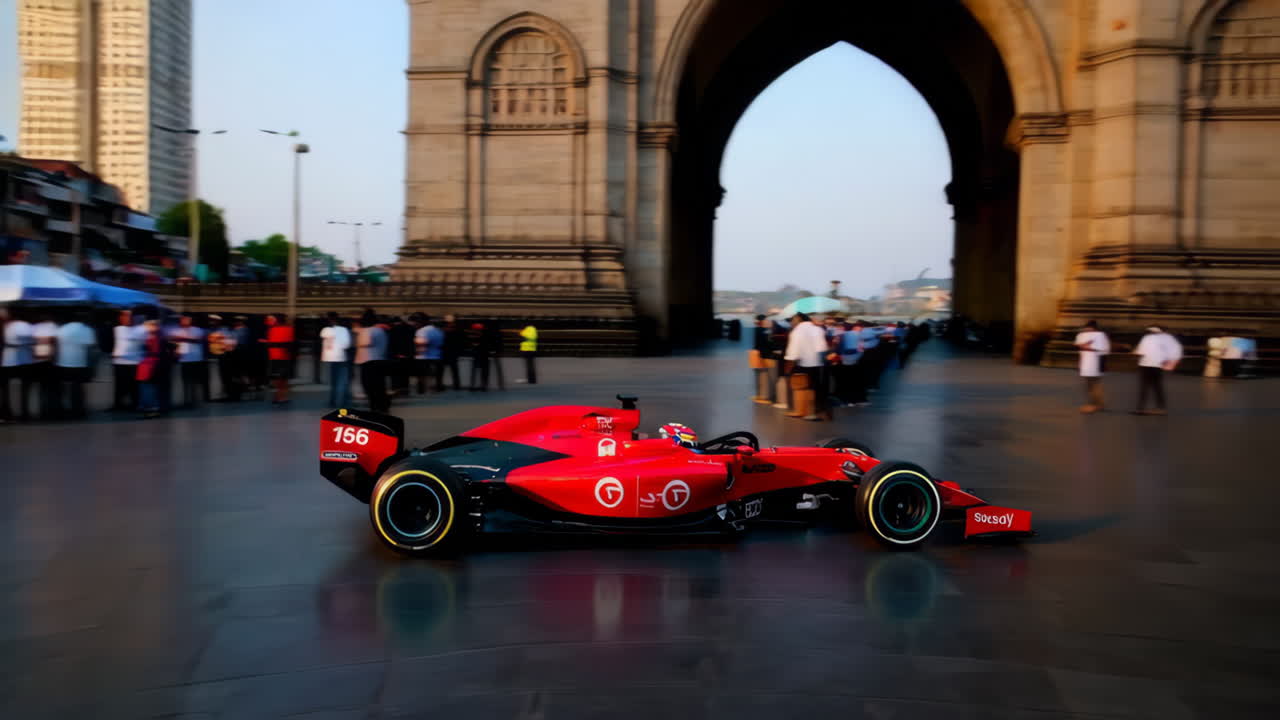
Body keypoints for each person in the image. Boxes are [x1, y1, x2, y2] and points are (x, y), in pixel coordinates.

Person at [782, 312, 830, 421]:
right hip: (818, 364)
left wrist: (788, 368)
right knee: (813, 387)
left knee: (800, 388)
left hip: (802, 363)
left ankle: (800, 411)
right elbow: (822, 348)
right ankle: (811, 413)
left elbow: (793, 352)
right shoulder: (818, 329)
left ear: (798, 319)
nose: (791, 322)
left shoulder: (797, 331)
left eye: (793, 320)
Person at [56, 311, 98, 419]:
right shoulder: (87, 329)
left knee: (66, 387)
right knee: (78, 387)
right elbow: (91, 345)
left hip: (63, 362)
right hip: (80, 362)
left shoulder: (62, 329)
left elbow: (57, 342)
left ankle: (66, 408)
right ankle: (78, 409)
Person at [1133, 325, 1183, 416]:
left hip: (1146, 365)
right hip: (1157, 365)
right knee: (1157, 387)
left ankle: (1141, 408)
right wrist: (1169, 362)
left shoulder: (1146, 338)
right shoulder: (1166, 338)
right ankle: (1160, 408)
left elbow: (1140, 352)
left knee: (1145, 387)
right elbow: (1175, 350)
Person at [2, 309, 35, 423]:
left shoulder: (6, 326)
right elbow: (32, 339)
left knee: (5, 390)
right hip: (25, 360)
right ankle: (25, 413)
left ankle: (6, 414)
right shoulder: (27, 325)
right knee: (25, 389)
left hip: (7, 361)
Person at [170, 314, 207, 409]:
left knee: (195, 381)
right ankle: (187, 401)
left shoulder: (197, 330)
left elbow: (198, 340)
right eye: (183, 319)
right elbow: (174, 343)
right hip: (184, 359)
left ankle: (195, 401)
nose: (185, 321)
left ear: (191, 320)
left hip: (196, 359)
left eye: (187, 319)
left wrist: (181, 338)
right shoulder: (176, 330)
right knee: (185, 381)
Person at [356, 310, 390, 412]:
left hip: (368, 361)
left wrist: (358, 335)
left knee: (369, 385)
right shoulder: (380, 331)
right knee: (379, 385)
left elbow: (365, 343)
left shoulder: (367, 331)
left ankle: (374, 406)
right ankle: (383, 405)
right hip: (380, 359)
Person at [1073, 320, 1110, 413]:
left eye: (1089, 328)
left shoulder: (1099, 336)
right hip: (1087, 363)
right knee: (1091, 384)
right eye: (1086, 328)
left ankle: (1094, 404)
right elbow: (1081, 350)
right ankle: (1098, 404)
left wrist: (1087, 346)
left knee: (1094, 384)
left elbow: (1103, 350)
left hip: (1094, 363)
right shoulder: (1090, 336)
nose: (1087, 330)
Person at [135, 319, 167, 419]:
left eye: (150, 326)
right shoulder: (149, 337)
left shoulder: (157, 338)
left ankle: (152, 408)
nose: (147, 327)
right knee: (146, 387)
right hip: (146, 365)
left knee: (149, 388)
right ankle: (148, 407)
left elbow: (155, 352)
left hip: (152, 366)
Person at [262, 314, 295, 406]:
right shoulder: (289, 329)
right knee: (284, 379)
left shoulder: (271, 329)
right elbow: (290, 345)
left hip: (274, 357)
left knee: (277, 379)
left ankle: (278, 396)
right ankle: (283, 397)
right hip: (285, 357)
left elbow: (270, 343)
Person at [320, 312, 352, 407]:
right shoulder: (343, 330)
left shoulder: (325, 330)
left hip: (329, 358)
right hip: (341, 357)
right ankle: (342, 402)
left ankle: (333, 401)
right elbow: (347, 345)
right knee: (342, 381)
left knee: (333, 381)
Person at [31, 312, 59, 419]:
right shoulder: (53, 326)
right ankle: (52, 410)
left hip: (37, 361)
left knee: (42, 388)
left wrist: (39, 341)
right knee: (51, 387)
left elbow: (32, 342)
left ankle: (43, 411)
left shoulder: (34, 327)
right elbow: (55, 342)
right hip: (50, 360)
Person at [111, 310, 140, 411]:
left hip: (134, 362)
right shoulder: (116, 329)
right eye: (124, 315)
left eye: (129, 316)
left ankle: (135, 404)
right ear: (120, 318)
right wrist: (112, 352)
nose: (126, 318)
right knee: (119, 385)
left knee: (134, 385)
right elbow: (109, 342)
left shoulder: (138, 330)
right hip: (119, 362)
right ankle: (118, 404)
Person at [414, 313, 444, 393]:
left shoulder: (421, 331)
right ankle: (437, 388)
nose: (415, 324)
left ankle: (422, 389)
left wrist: (418, 353)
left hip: (423, 357)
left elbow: (421, 344)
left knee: (422, 375)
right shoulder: (438, 330)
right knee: (436, 375)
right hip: (437, 356)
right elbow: (441, 344)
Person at [388, 316, 415, 396]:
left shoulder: (393, 330)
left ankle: (396, 389)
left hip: (396, 355)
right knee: (405, 373)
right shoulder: (411, 329)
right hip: (408, 354)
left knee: (395, 374)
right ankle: (405, 389)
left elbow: (393, 343)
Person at [442, 315, 465, 390]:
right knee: (454, 371)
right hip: (451, 353)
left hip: (448, 353)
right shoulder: (457, 331)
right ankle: (456, 385)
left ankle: (456, 385)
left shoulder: (445, 331)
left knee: (451, 370)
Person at [468, 322, 491, 391]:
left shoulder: (476, 337)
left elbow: (474, 346)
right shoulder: (485, 336)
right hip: (484, 356)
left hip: (479, 355)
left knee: (476, 371)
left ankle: (474, 385)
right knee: (484, 372)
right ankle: (483, 386)